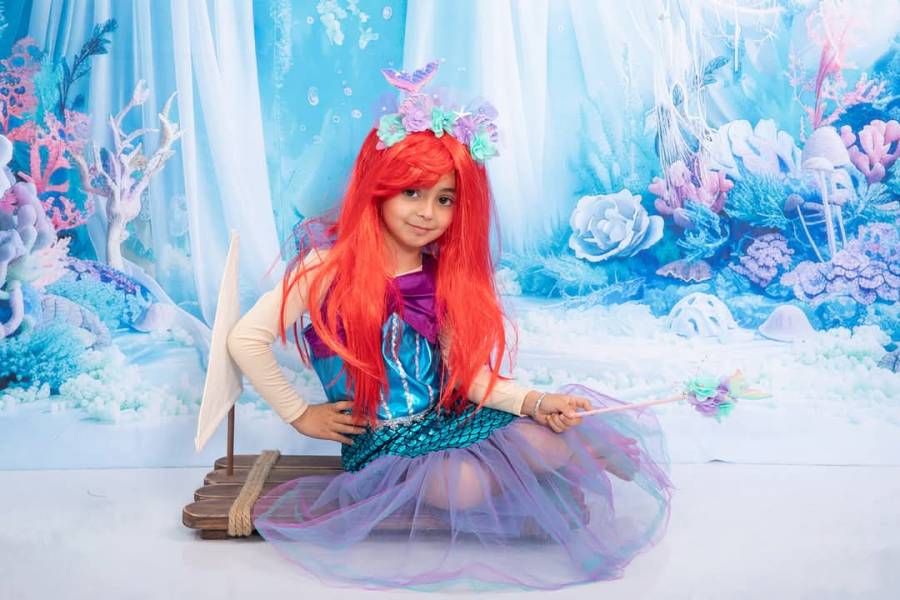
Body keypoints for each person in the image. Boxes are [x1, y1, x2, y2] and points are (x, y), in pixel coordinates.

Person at [226, 62, 671, 591]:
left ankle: (568, 462)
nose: (427, 213)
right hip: (382, 443)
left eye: (444, 199)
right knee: (460, 487)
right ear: (378, 189)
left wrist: (534, 401)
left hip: (445, 418)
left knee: (549, 443)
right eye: (411, 193)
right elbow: (245, 339)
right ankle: (529, 480)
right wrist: (301, 415)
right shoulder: (325, 268)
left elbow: (470, 379)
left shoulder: (439, 279)